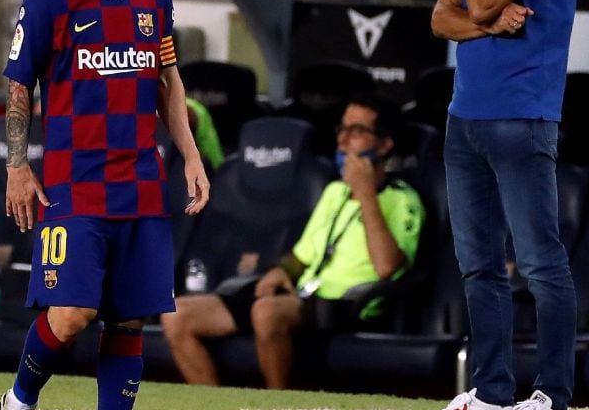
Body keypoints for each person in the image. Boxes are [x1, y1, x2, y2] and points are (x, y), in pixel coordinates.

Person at [0, 0, 209, 410]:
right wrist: (17, 166)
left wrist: (189, 155)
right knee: (71, 314)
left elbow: (169, 81)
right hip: (73, 186)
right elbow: (18, 85)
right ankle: (15, 408)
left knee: (130, 316)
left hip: (142, 182)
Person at [415, 0, 581, 410]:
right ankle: (488, 391)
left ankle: (552, 402)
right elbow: (443, 18)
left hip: (522, 116)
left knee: (539, 262)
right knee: (478, 262)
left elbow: (476, 1)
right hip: (467, 115)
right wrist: (489, 18)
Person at [161, 94, 424, 389]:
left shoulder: (403, 200)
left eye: (358, 131)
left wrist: (366, 196)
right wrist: (281, 272)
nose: (344, 140)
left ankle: (278, 406)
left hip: (349, 304)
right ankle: (215, 408)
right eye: (342, 130)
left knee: (267, 311)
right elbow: (302, 256)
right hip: (306, 297)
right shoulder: (334, 192)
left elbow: (388, 266)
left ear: (384, 144)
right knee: (177, 313)